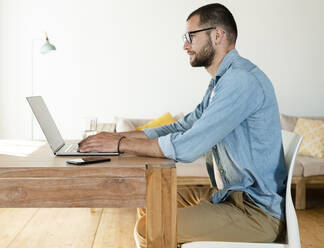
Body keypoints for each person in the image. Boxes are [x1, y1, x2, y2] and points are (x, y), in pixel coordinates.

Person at [78, 3, 286, 247]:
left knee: (150, 228)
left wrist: (121, 144)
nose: (185, 45)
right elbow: (181, 127)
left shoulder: (241, 81)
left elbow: (187, 146)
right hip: (231, 196)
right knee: (149, 199)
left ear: (217, 35)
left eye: (190, 36)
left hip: (256, 212)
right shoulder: (221, 83)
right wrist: (116, 137)